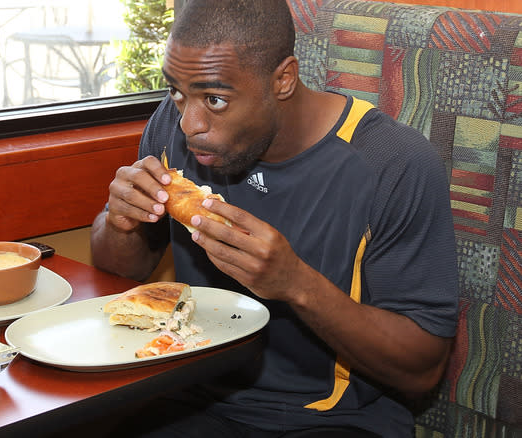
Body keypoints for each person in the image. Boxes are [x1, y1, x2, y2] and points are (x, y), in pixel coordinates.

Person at [89, 0, 458, 436]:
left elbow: (422, 369)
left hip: (332, 419)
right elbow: (123, 270)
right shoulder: (174, 125)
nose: (189, 122)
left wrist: (297, 284)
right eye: (175, 90)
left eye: (214, 98)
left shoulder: (392, 163)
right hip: (186, 394)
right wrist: (120, 220)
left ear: (283, 79)